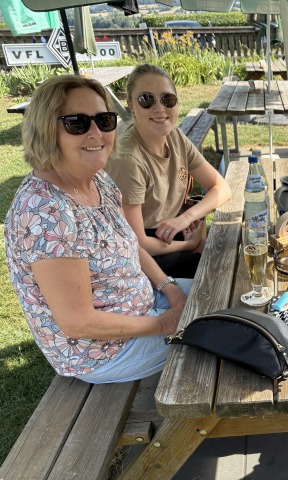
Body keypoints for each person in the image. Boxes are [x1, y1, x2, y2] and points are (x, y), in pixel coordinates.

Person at [4, 75, 192, 384]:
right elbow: (78, 322)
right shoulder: (45, 211)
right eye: (77, 123)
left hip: (144, 307)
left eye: (104, 120)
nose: (97, 133)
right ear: (45, 129)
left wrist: (169, 287)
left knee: (216, 295)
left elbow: (128, 242)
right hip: (104, 352)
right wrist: (164, 323)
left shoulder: (96, 179)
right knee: (213, 337)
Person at [105, 64, 231, 279]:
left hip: (170, 230)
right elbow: (137, 243)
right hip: (141, 252)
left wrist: (185, 219)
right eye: (146, 100)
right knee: (216, 270)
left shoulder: (175, 137)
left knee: (228, 250)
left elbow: (222, 188)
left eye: (167, 99)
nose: (159, 108)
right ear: (131, 106)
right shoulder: (128, 160)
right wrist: (188, 245)